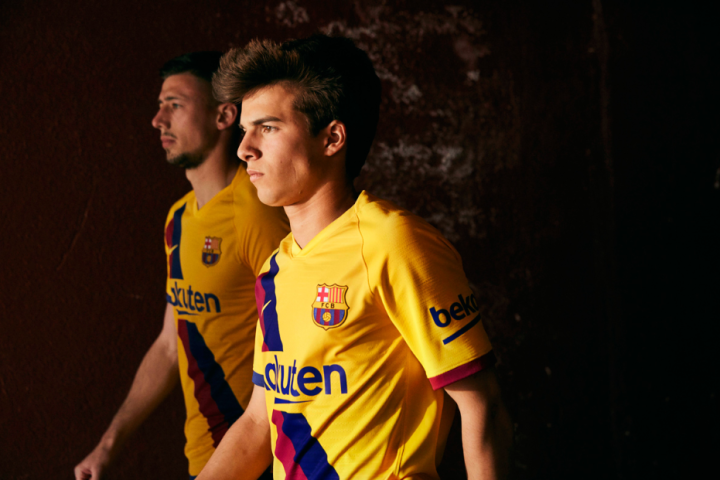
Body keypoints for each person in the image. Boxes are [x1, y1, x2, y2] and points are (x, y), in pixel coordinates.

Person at [197, 35, 512, 480]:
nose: (244, 147)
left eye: (267, 128)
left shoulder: (393, 241)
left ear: (332, 138)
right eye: (246, 129)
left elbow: (482, 404)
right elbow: (257, 424)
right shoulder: (275, 269)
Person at [74, 52, 289, 480]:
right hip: (202, 456)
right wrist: (107, 446)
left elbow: (296, 343)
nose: (158, 120)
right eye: (160, 106)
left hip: (256, 460)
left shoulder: (256, 212)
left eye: (175, 104)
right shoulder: (178, 219)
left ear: (224, 115)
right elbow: (169, 346)